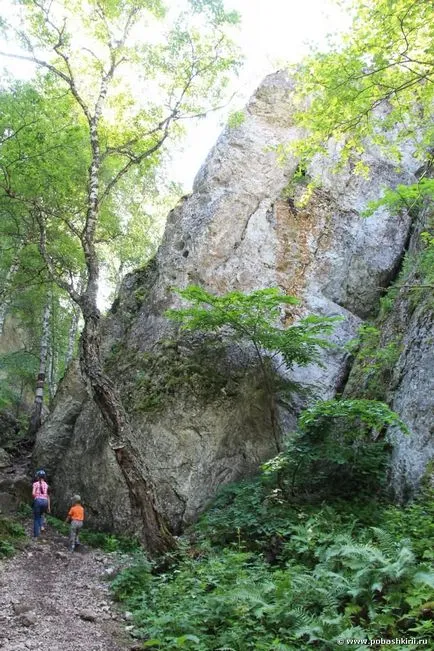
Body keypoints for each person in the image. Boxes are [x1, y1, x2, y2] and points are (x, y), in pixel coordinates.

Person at [32, 470, 50, 538]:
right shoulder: (46, 485)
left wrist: (36, 498)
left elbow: (33, 494)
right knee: (41, 515)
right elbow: (47, 495)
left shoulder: (35, 484)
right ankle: (41, 527)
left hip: (38, 501)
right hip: (45, 501)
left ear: (38, 476)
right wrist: (48, 506)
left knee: (36, 518)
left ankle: (36, 535)